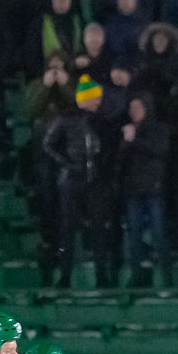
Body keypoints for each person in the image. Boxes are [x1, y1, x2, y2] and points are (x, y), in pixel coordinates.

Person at [42, 76, 117, 289]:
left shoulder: (103, 121)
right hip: (72, 181)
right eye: (94, 98)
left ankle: (102, 276)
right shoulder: (65, 118)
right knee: (68, 229)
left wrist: (102, 165)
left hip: (96, 181)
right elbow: (48, 144)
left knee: (99, 229)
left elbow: (110, 147)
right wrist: (68, 163)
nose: (98, 102)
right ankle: (65, 275)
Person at [118, 92, 172, 287]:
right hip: (133, 190)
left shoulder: (159, 129)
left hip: (154, 189)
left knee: (159, 234)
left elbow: (160, 151)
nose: (134, 112)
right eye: (131, 108)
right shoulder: (127, 130)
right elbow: (120, 160)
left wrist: (134, 140)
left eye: (138, 107)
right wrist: (126, 142)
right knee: (134, 236)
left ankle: (166, 277)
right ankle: (137, 276)